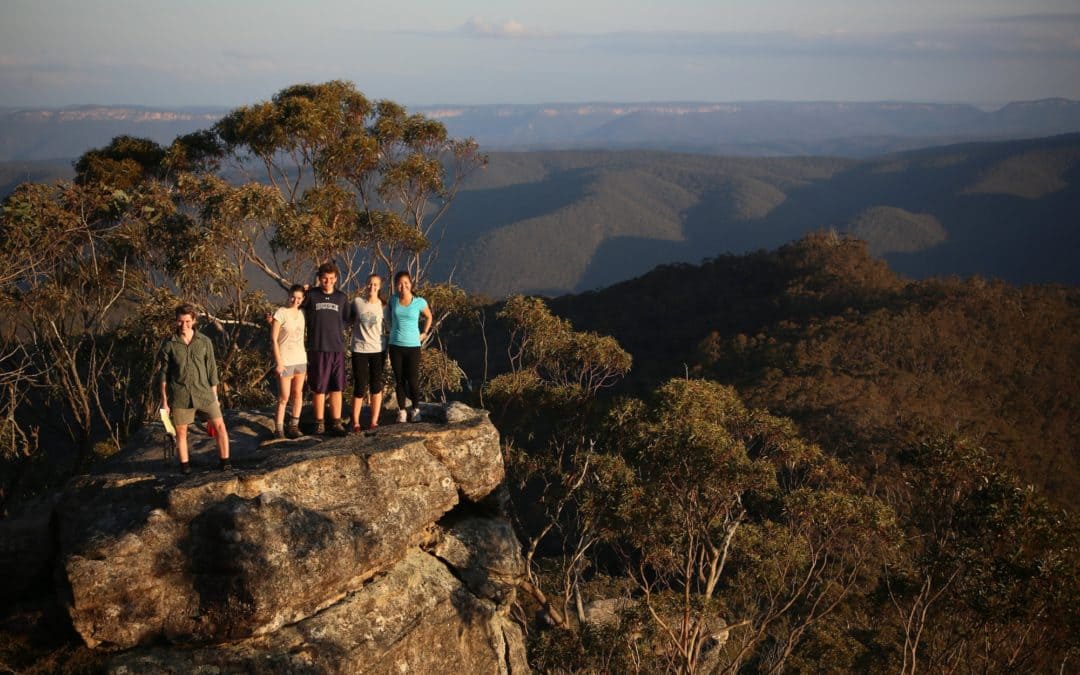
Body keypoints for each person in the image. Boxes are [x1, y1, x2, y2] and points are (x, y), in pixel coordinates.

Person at [158, 303, 231, 473]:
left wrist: (215, 397)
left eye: (187, 321)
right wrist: (164, 402)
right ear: (176, 321)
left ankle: (225, 462)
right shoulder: (170, 345)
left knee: (220, 426)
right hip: (180, 395)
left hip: (204, 393)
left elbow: (212, 370)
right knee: (181, 432)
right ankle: (185, 466)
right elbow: (163, 375)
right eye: (180, 321)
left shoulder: (204, 342)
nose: (184, 325)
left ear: (194, 320)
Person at [302, 262, 352, 436]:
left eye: (331, 278)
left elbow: (348, 318)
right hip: (318, 348)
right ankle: (319, 422)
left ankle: (336, 422)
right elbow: (296, 305)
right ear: (319, 278)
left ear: (336, 279)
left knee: (337, 387)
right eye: (324, 278)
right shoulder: (312, 295)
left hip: (337, 348)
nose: (328, 281)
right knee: (319, 387)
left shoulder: (341, 297)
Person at [388, 270, 432, 423]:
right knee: (399, 380)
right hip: (395, 345)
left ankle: (415, 409)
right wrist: (390, 330)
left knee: (413, 379)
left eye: (406, 283)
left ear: (411, 284)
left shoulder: (419, 301)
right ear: (395, 285)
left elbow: (429, 316)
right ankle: (401, 411)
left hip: (413, 346)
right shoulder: (393, 300)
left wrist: (424, 332)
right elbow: (388, 317)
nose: (403, 286)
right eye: (400, 283)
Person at [349, 274, 387, 432]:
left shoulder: (384, 306)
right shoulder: (357, 302)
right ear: (366, 285)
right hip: (359, 350)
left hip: (378, 350)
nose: (372, 287)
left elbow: (392, 324)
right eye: (370, 284)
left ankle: (374, 422)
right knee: (359, 386)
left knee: (376, 386)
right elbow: (347, 319)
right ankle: (355, 423)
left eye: (376, 284)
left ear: (380, 287)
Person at [270, 284, 307, 439]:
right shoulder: (281, 313)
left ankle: (293, 425)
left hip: (300, 360)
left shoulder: (302, 313)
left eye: (299, 298)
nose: (295, 300)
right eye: (293, 296)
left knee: (298, 394)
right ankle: (279, 429)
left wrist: (308, 287)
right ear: (289, 296)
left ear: (303, 299)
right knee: (284, 397)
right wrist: (279, 362)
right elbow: (274, 339)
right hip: (285, 360)